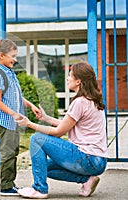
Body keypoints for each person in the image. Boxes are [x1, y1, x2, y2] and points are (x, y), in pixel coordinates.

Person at [15, 61, 108, 199]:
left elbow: (59, 132)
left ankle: (39, 189)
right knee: (42, 167)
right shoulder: (92, 100)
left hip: (87, 158)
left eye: (70, 75)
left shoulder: (80, 102)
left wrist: (29, 124)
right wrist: (46, 118)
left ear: (78, 81)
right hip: (98, 162)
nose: (67, 78)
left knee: (36, 139)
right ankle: (87, 180)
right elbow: (66, 125)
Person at [0, 38, 40, 196]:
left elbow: (16, 96)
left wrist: (30, 105)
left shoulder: (9, 72)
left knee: (13, 152)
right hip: (6, 122)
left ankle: (10, 183)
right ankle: (5, 187)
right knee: (8, 153)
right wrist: (13, 113)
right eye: (12, 55)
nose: (15, 59)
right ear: (1, 55)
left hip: (13, 121)